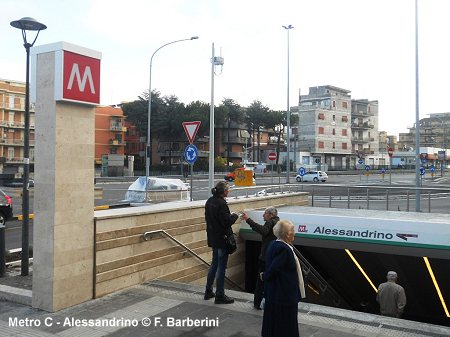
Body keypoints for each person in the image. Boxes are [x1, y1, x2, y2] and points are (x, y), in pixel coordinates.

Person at [262, 220, 306, 337]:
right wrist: (265, 276)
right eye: (293, 230)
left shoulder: (274, 244)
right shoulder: (284, 249)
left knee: (274, 322)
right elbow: (274, 268)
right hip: (283, 295)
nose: (294, 233)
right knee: (286, 323)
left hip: (275, 293)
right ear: (287, 234)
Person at [204, 181, 239, 304]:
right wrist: (235, 216)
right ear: (224, 191)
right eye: (228, 189)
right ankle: (220, 295)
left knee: (214, 264)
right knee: (221, 268)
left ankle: (208, 291)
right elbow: (226, 222)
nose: (228, 191)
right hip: (222, 239)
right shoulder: (221, 204)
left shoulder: (209, 201)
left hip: (213, 238)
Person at [242, 207, 279, 309]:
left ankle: (257, 303)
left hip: (265, 258)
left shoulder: (270, 222)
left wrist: (248, 220)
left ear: (271, 215)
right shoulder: (279, 222)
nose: (263, 215)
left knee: (261, 281)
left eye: (265, 214)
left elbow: (263, 231)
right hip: (273, 257)